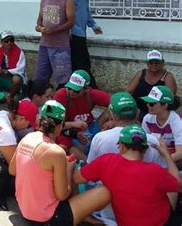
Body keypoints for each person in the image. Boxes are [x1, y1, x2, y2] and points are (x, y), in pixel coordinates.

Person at [10, 100, 111, 225]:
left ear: (39, 121)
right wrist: (68, 169)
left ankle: (81, 215)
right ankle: (82, 215)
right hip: (48, 218)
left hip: (25, 211)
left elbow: (13, 170)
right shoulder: (56, 152)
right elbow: (62, 195)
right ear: (60, 126)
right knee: (105, 192)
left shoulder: (27, 138)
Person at [87, 92, 170, 225]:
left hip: (109, 210)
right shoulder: (153, 140)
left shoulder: (101, 138)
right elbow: (165, 176)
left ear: (112, 114)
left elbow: (90, 174)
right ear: (137, 113)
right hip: (146, 212)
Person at [74, 124, 181, 226]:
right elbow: (178, 185)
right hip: (160, 221)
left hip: (125, 223)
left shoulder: (106, 161)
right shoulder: (155, 170)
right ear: (144, 150)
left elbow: (76, 179)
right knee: (172, 186)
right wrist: (167, 155)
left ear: (121, 146)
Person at [54, 70, 110, 160]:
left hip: (90, 128)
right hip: (68, 134)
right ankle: (88, 164)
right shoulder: (61, 95)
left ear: (86, 89)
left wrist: (113, 122)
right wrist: (73, 125)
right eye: (69, 88)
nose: (71, 92)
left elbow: (115, 102)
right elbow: (54, 123)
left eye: (76, 90)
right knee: (67, 148)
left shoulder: (91, 94)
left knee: (110, 112)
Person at [62, 0, 102, 88]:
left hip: (80, 31)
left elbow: (84, 10)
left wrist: (93, 25)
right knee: (83, 63)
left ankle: (80, 88)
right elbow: (62, 8)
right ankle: (92, 88)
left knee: (79, 63)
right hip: (73, 32)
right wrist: (66, 31)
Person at [35, 0, 75, 88]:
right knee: (40, 76)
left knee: (63, 77)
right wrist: (39, 28)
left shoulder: (67, 0)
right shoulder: (44, 0)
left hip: (60, 46)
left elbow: (71, 22)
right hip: (44, 44)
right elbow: (39, 21)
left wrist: (54, 30)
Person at [127, 49, 178, 119]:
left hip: (157, 113)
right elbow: (129, 92)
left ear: (163, 63)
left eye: (157, 62)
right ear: (147, 63)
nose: (154, 64)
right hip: (137, 111)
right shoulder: (141, 74)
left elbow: (169, 99)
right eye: (151, 62)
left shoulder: (167, 76)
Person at [142, 85, 182, 163]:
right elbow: (144, 143)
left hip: (173, 160)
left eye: (151, 103)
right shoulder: (147, 118)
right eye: (147, 102)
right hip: (154, 157)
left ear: (165, 105)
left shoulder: (177, 122)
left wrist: (160, 164)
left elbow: (180, 153)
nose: (147, 105)